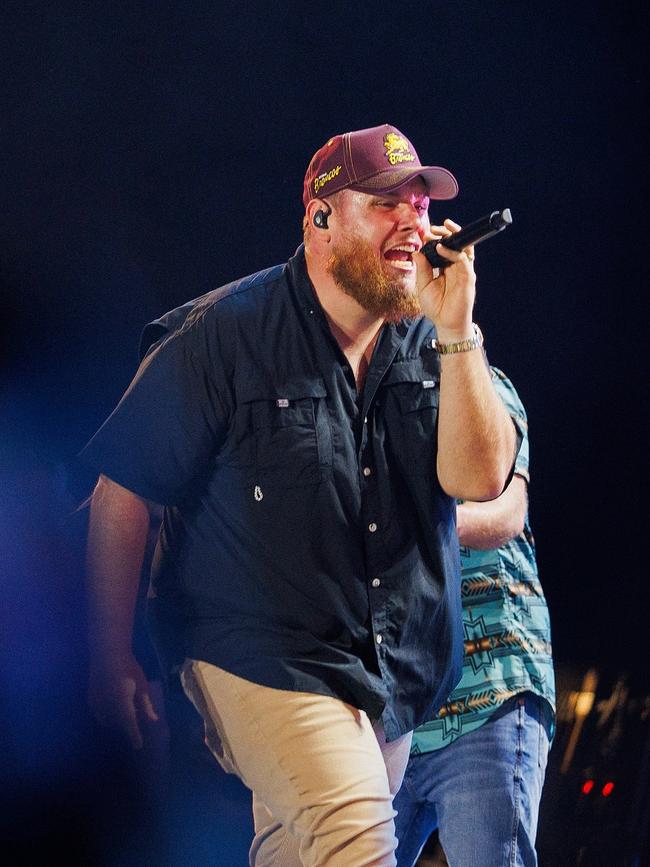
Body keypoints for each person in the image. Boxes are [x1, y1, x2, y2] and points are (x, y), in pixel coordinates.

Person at [83, 123, 520, 867]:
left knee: (297, 852)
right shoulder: (221, 335)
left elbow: (480, 483)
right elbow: (124, 491)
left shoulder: (432, 337)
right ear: (320, 219)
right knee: (356, 845)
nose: (413, 220)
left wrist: (458, 327)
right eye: (386, 203)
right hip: (259, 653)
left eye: (420, 204)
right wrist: (108, 654)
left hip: (391, 670)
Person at [394, 367, 555, 867]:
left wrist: (415, 523)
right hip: (394, 713)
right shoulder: (358, 399)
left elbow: (507, 515)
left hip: (489, 697)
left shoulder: (480, 384)